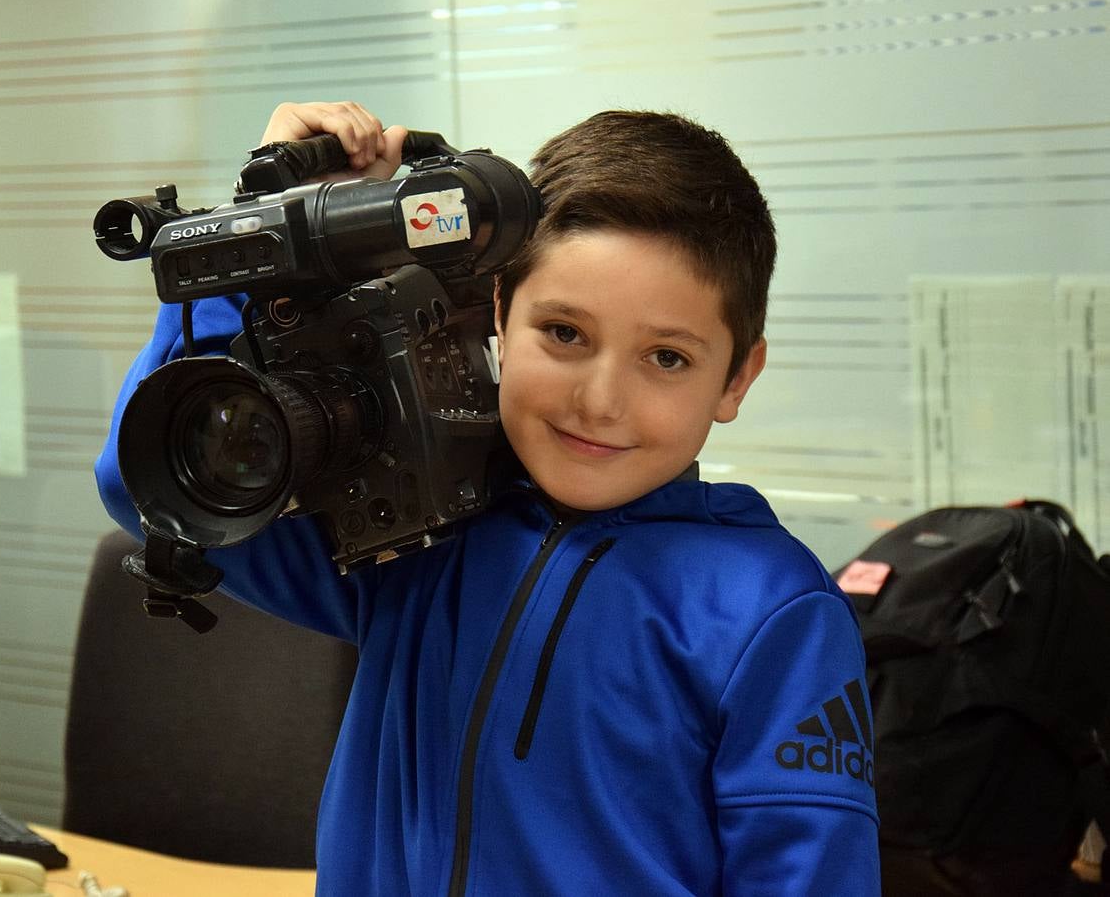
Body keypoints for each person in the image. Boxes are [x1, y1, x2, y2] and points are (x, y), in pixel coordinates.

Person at [95, 100, 880, 895]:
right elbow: (150, 490)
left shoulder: (770, 611)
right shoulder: (422, 532)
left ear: (737, 378)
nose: (600, 401)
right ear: (500, 309)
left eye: (666, 358)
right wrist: (260, 243)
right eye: (565, 334)